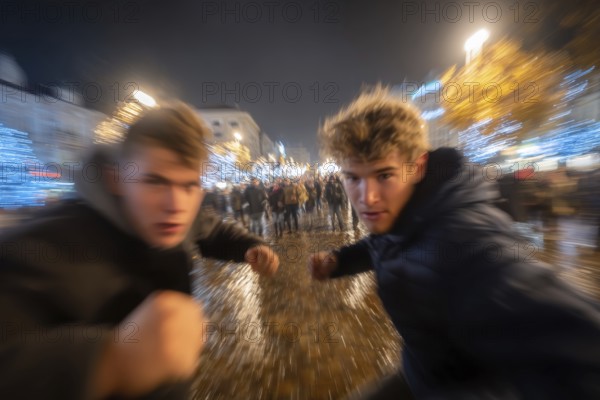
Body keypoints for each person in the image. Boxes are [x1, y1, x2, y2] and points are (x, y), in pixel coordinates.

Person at [308, 86, 600, 399]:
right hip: (422, 373)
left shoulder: (465, 243)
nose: (367, 198)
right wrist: (340, 260)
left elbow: (583, 348)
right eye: (353, 178)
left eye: (384, 175)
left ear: (416, 167)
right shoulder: (406, 212)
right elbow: (383, 243)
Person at [0, 102, 279, 399]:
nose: (176, 205)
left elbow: (214, 229)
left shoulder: (178, 216)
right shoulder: (39, 247)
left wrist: (250, 246)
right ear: (116, 178)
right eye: (155, 182)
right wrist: (110, 361)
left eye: (189, 185)